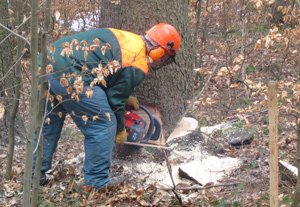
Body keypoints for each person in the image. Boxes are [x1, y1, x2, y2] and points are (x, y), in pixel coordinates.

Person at [32, 23, 181, 190]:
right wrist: (120, 129)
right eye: (163, 56)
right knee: (103, 124)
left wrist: (123, 97)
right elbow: (113, 100)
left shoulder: (127, 38)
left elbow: (98, 71)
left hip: (45, 65)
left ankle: (33, 179)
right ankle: (97, 184)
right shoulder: (137, 62)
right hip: (71, 75)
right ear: (158, 51)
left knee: (48, 126)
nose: (161, 60)